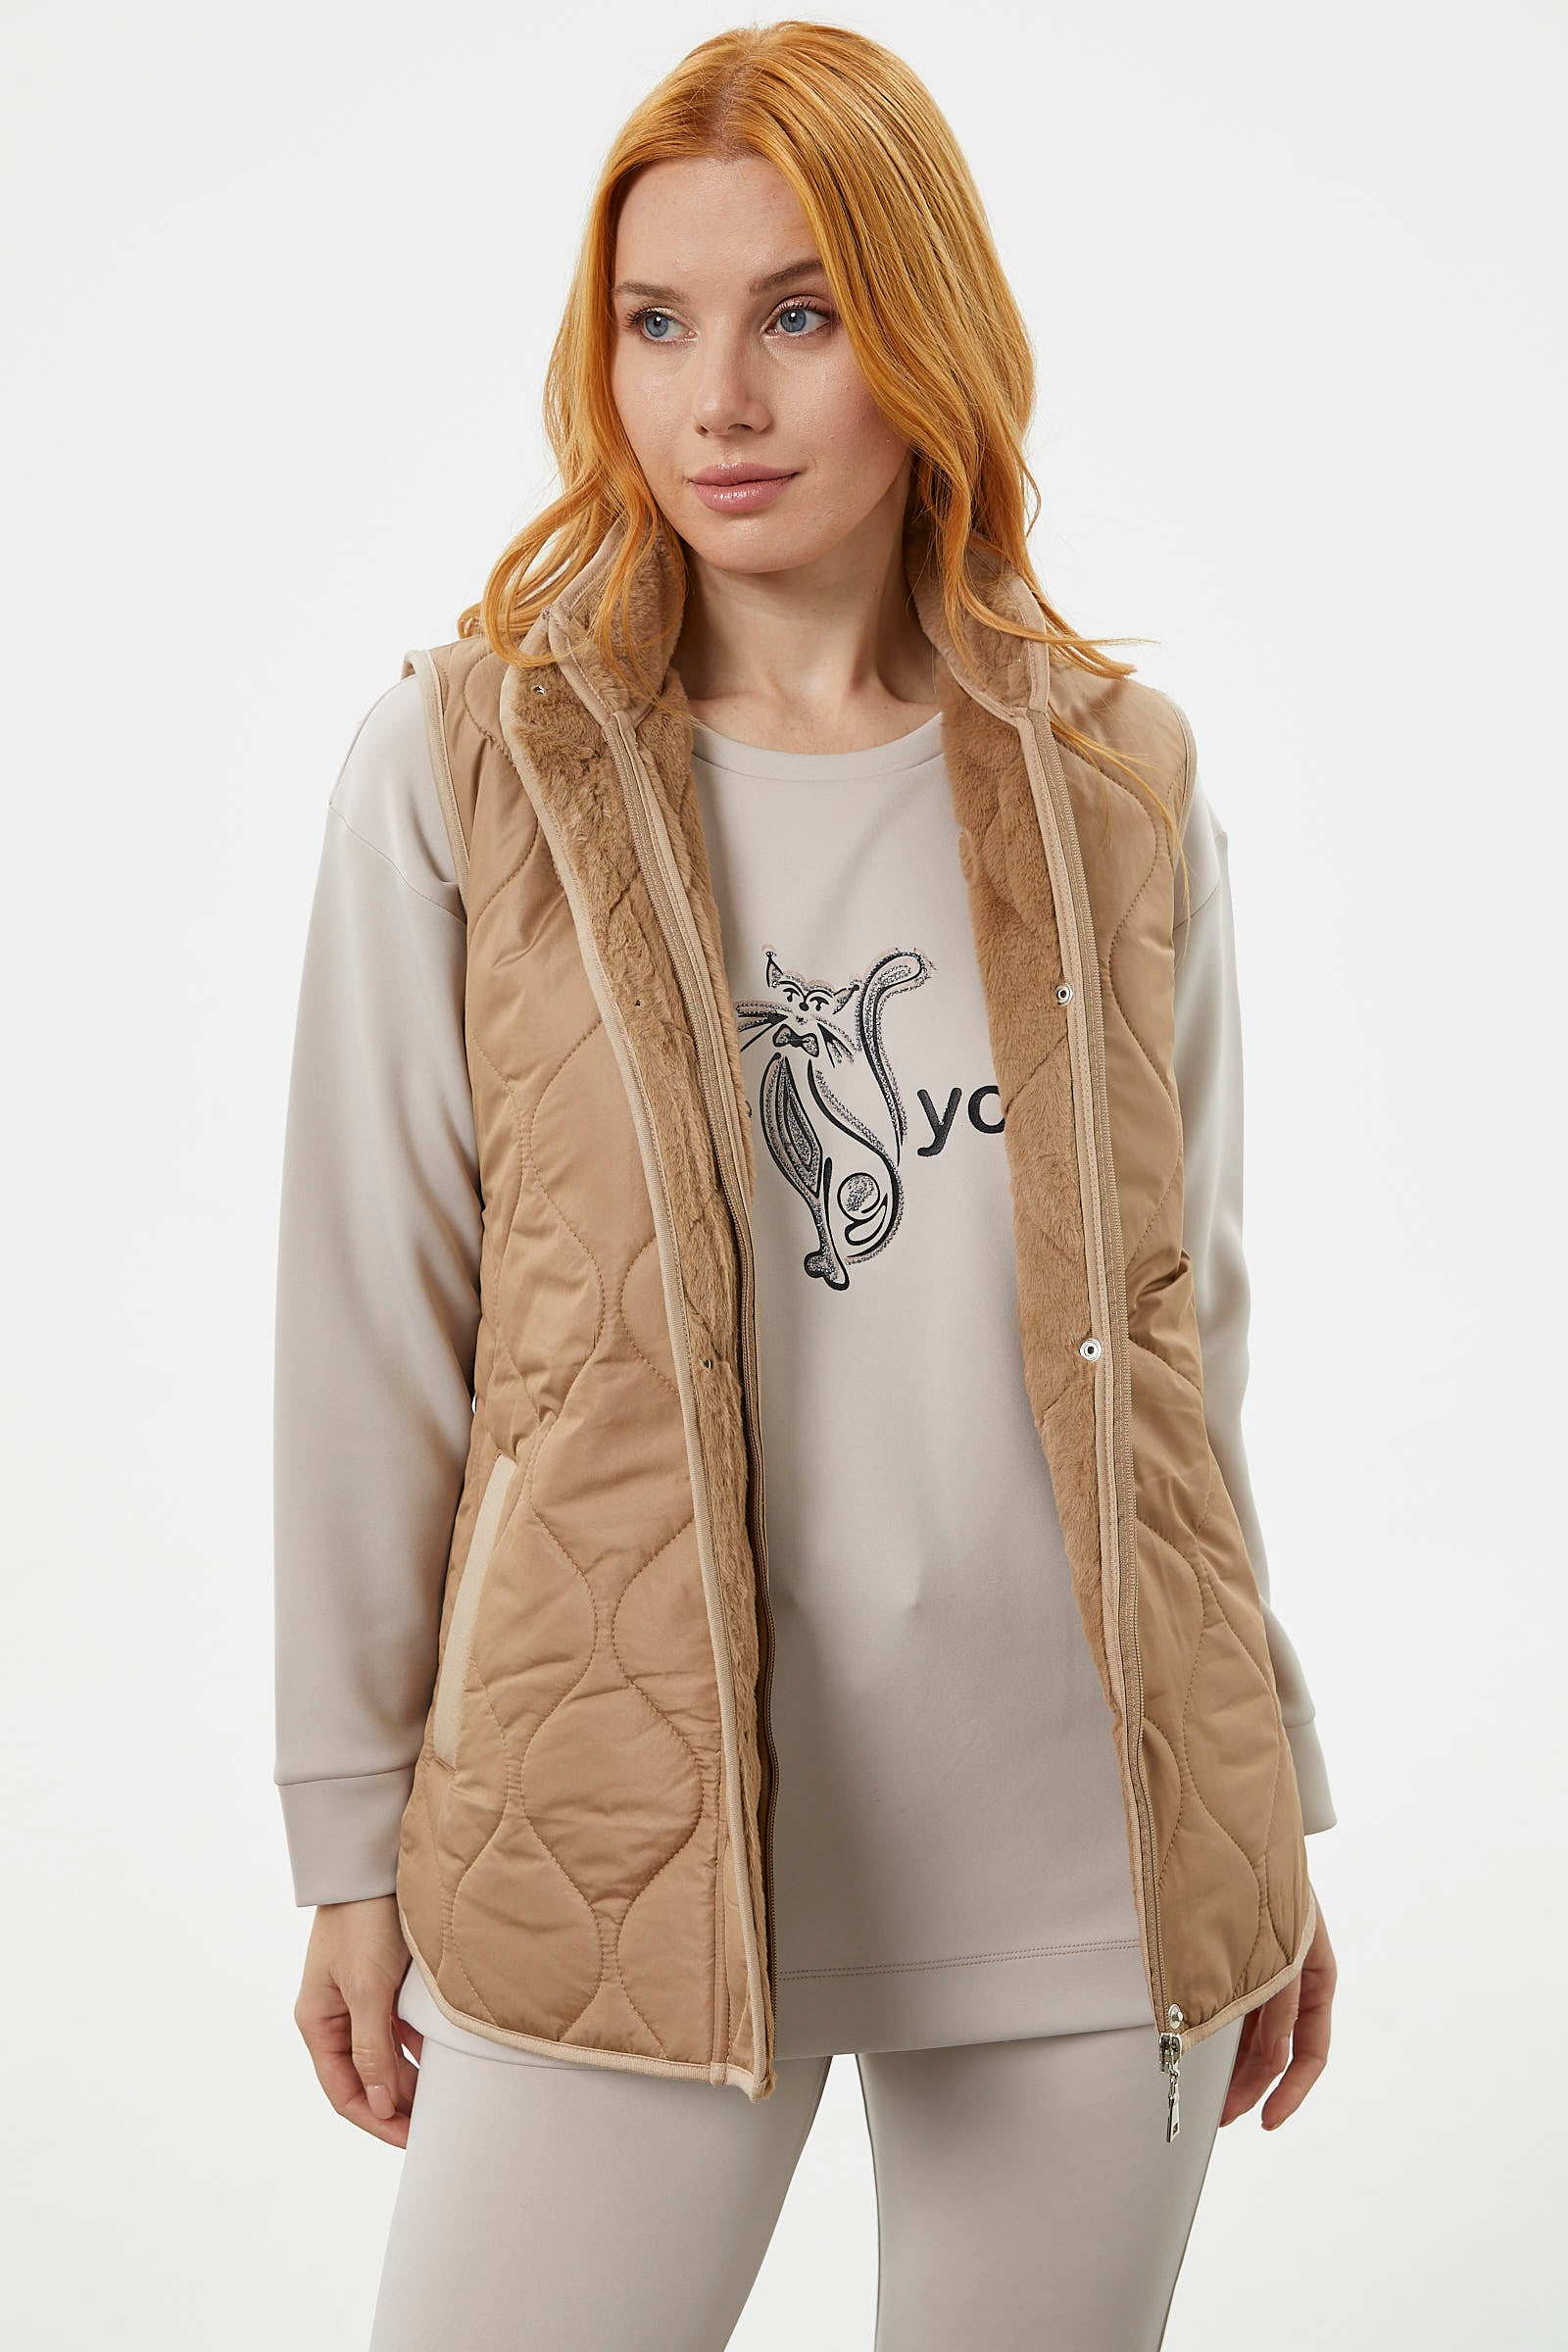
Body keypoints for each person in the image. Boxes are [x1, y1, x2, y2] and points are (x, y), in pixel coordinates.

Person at [271, 22, 1340, 2348]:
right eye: (655, 323)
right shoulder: (467, 768)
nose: (718, 402)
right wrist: (345, 1833)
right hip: (612, 1823)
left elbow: (1184, 1330)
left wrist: (1252, 1791)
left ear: (924, 332)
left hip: (1085, 1851)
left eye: (798, 313)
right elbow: (373, 1320)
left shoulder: (1116, 782)